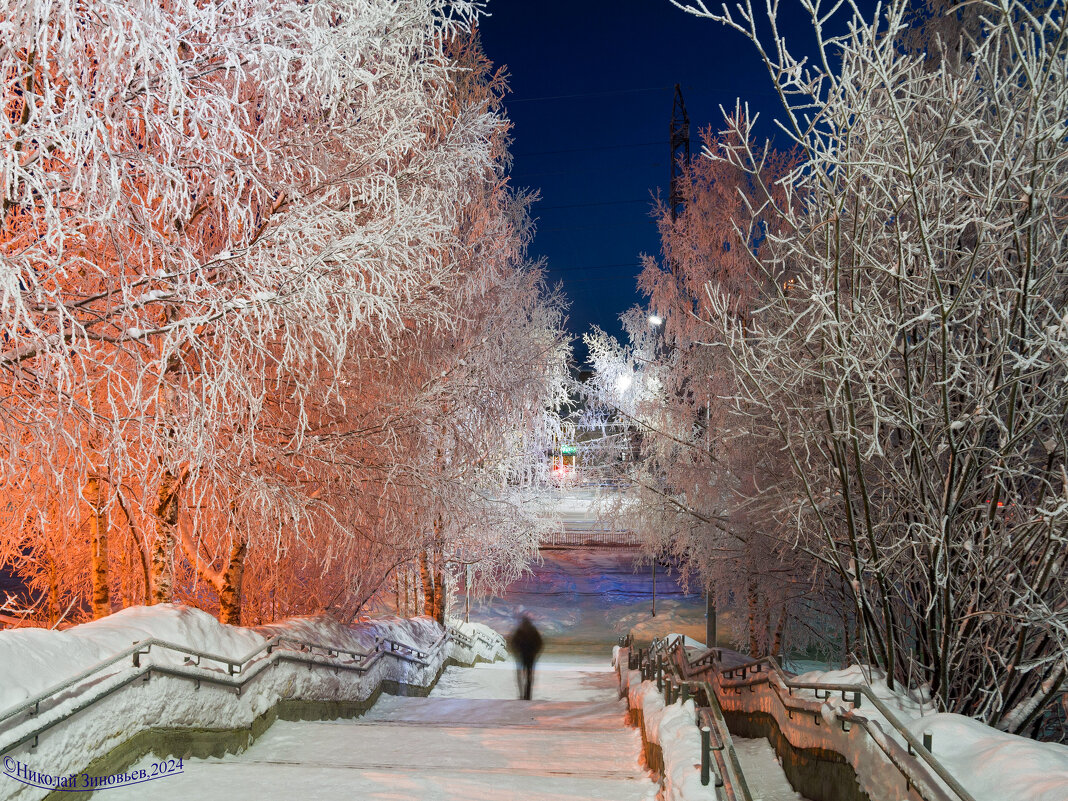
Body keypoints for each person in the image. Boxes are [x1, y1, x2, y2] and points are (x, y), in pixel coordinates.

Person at [508, 614, 543, 700]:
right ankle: (527, 695)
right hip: (529, 657)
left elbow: (513, 643)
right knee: (528, 677)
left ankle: (522, 695)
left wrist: (516, 652)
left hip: (522, 657)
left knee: (521, 677)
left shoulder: (519, 632)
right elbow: (539, 644)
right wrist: (535, 653)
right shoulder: (533, 632)